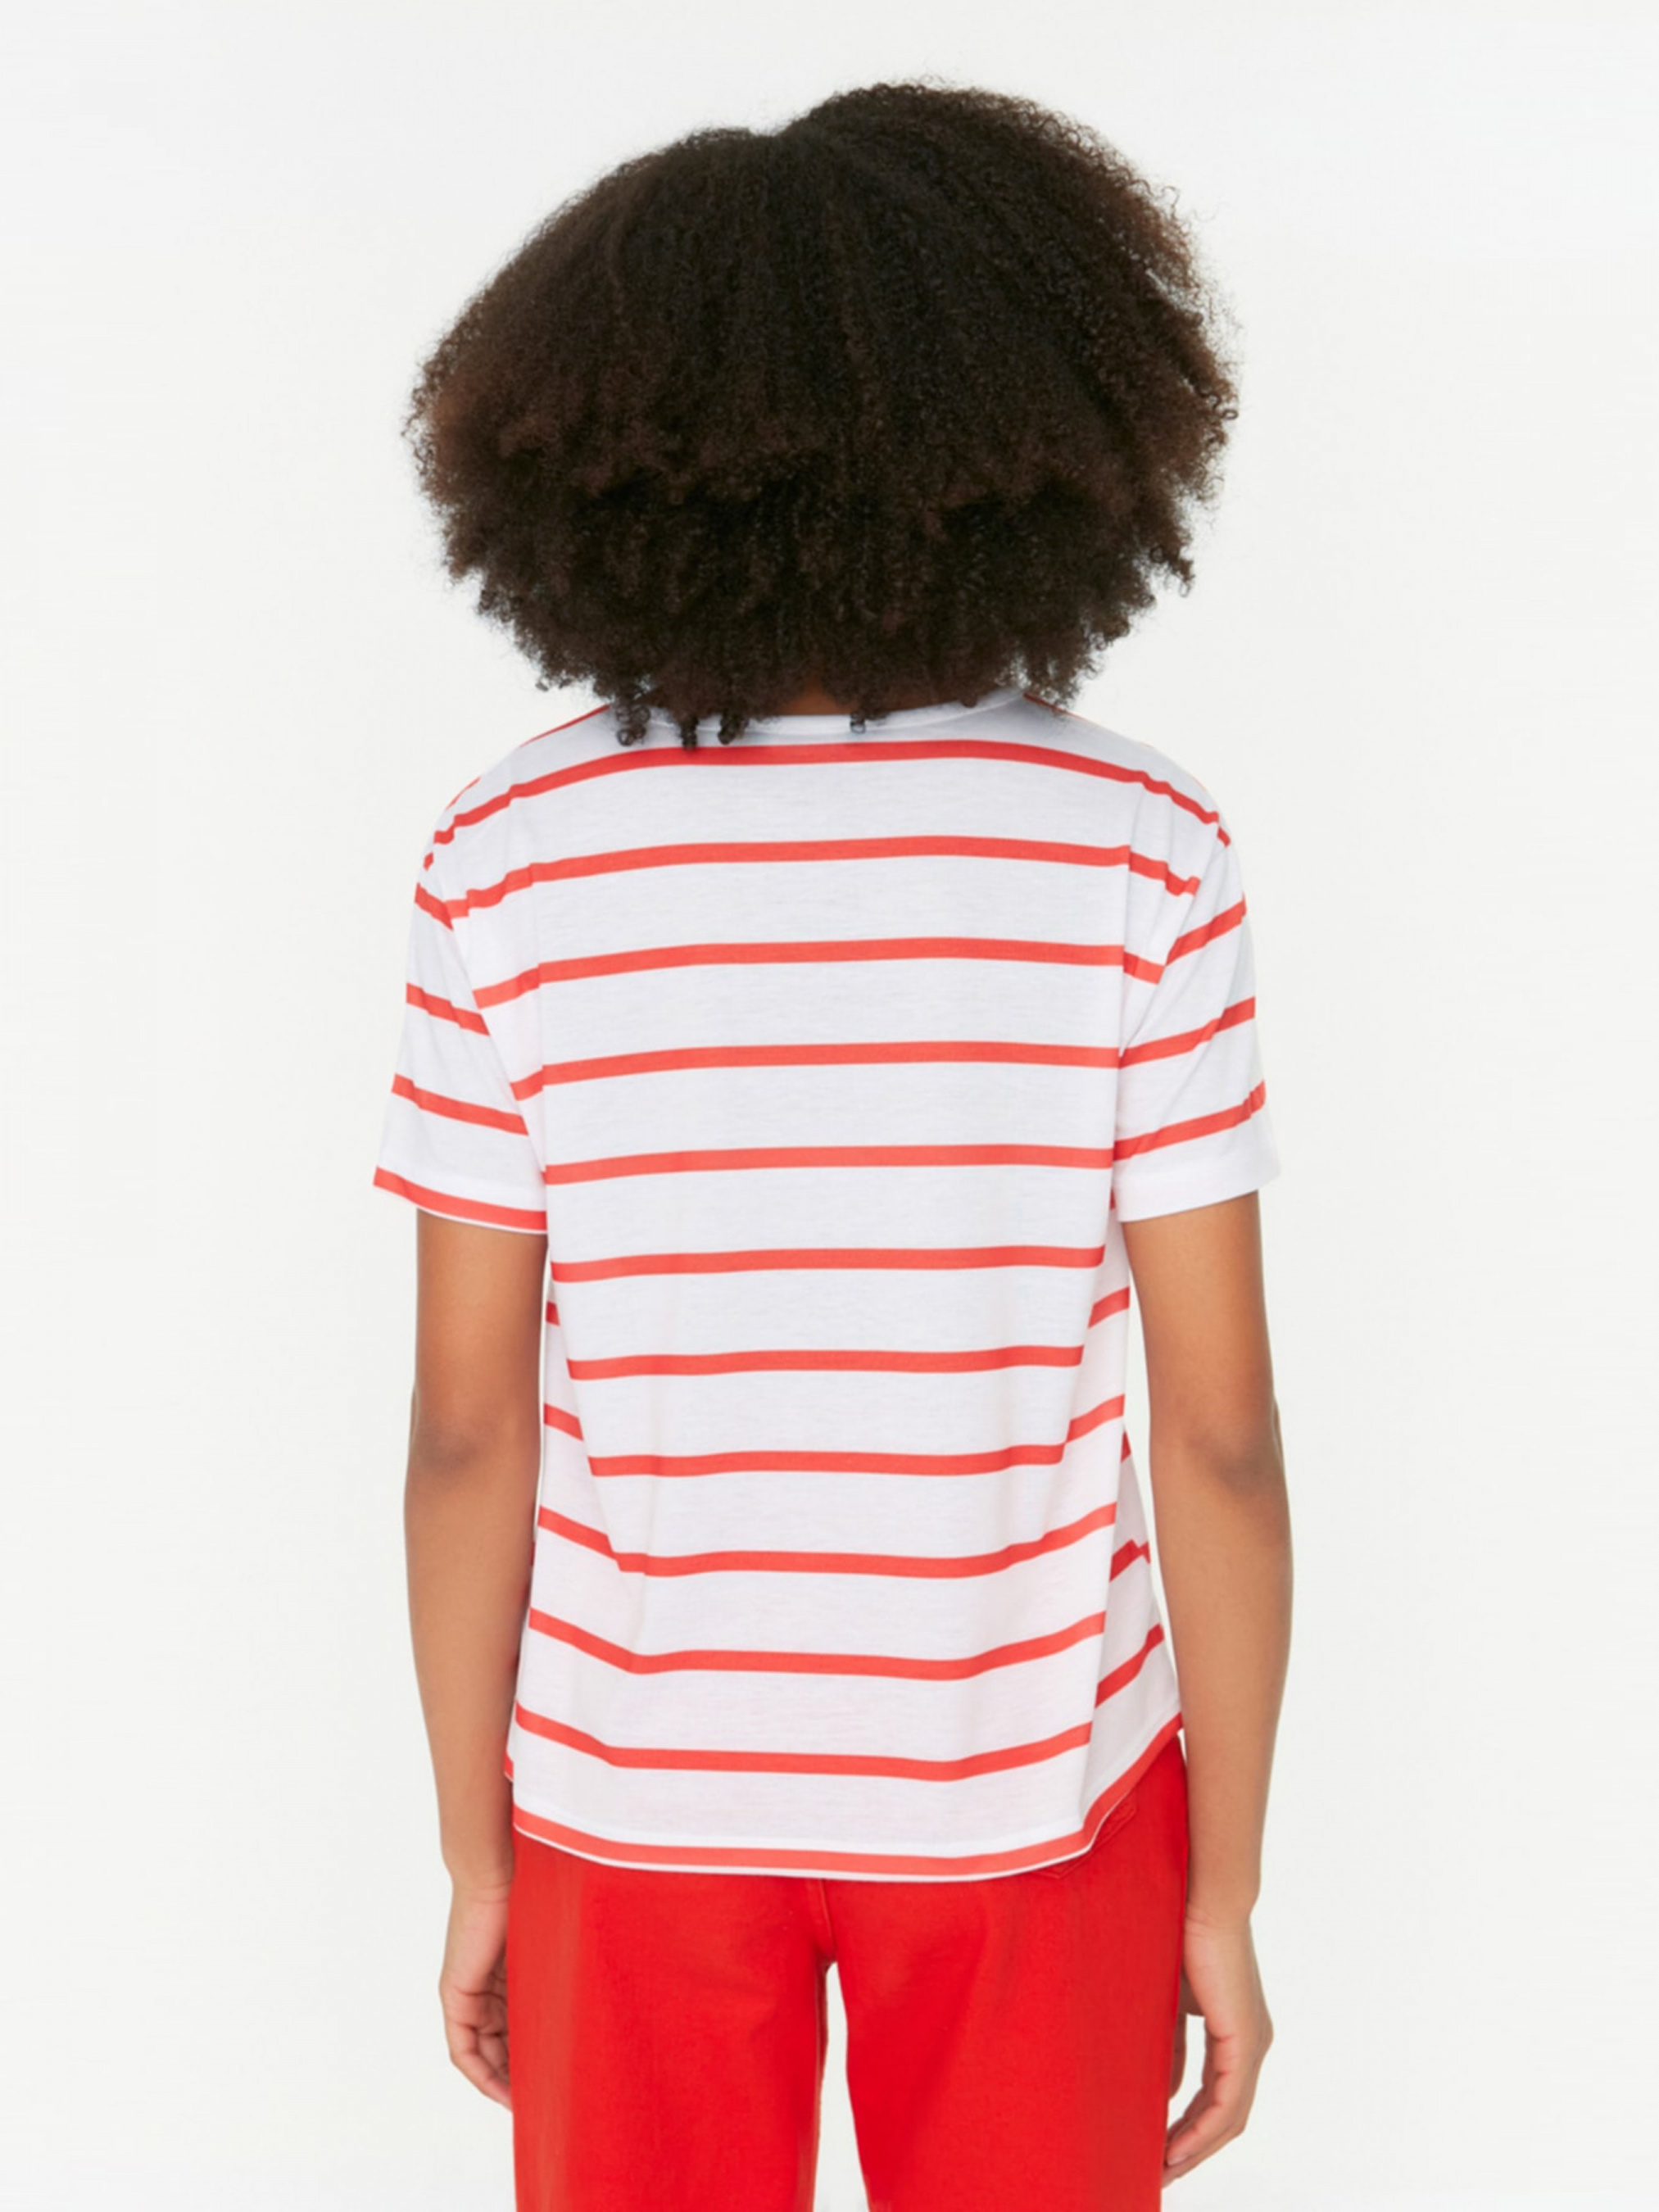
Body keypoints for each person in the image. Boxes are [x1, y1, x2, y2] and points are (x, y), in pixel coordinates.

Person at [373, 78, 1293, 2212]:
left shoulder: (509, 850)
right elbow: (1220, 1433)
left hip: (629, 1797)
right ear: (1043, 424)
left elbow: (463, 1424)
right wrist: (1225, 1887)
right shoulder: (1136, 844)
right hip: (1031, 1791)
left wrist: (476, 1850)